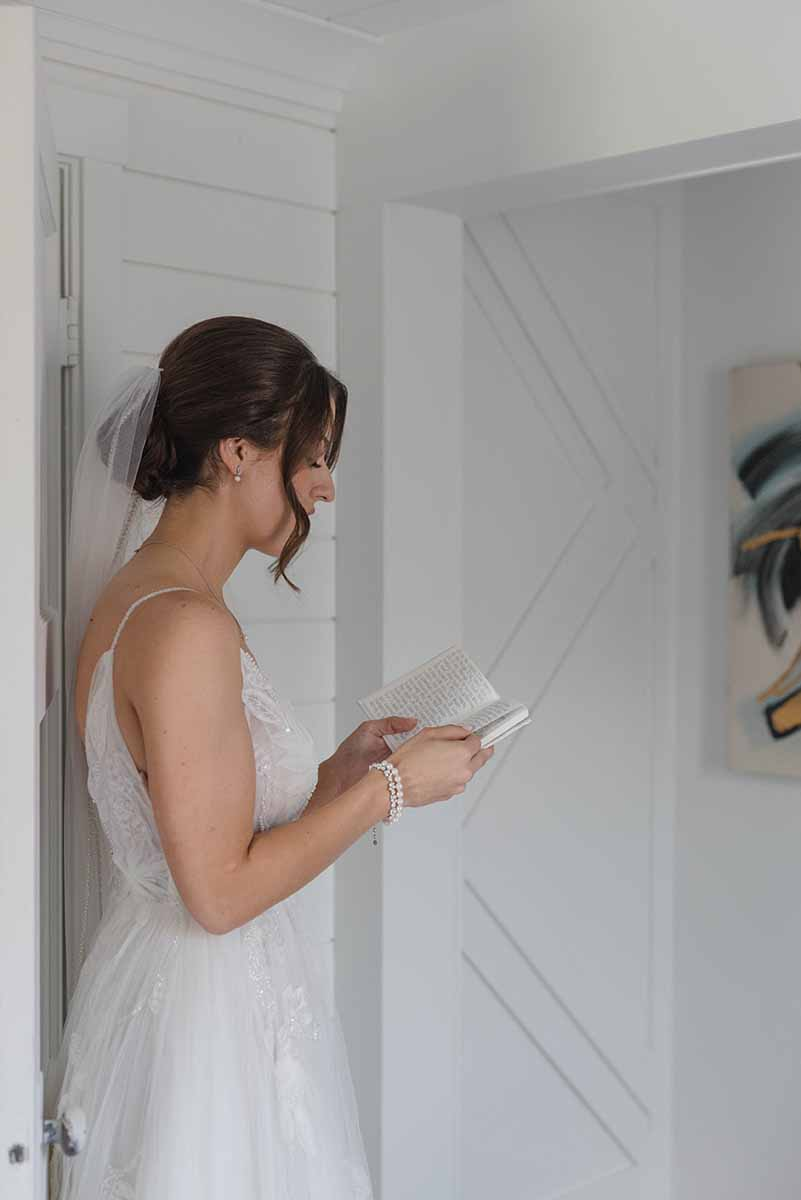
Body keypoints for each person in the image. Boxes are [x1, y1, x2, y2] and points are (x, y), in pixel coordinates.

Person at [45, 315, 494, 1198]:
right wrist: (390, 791)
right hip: (203, 1022)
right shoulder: (184, 624)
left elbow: (200, 827)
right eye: (315, 456)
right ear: (238, 451)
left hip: (184, 990)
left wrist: (338, 776)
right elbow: (216, 895)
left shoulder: (145, 598)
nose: (325, 487)